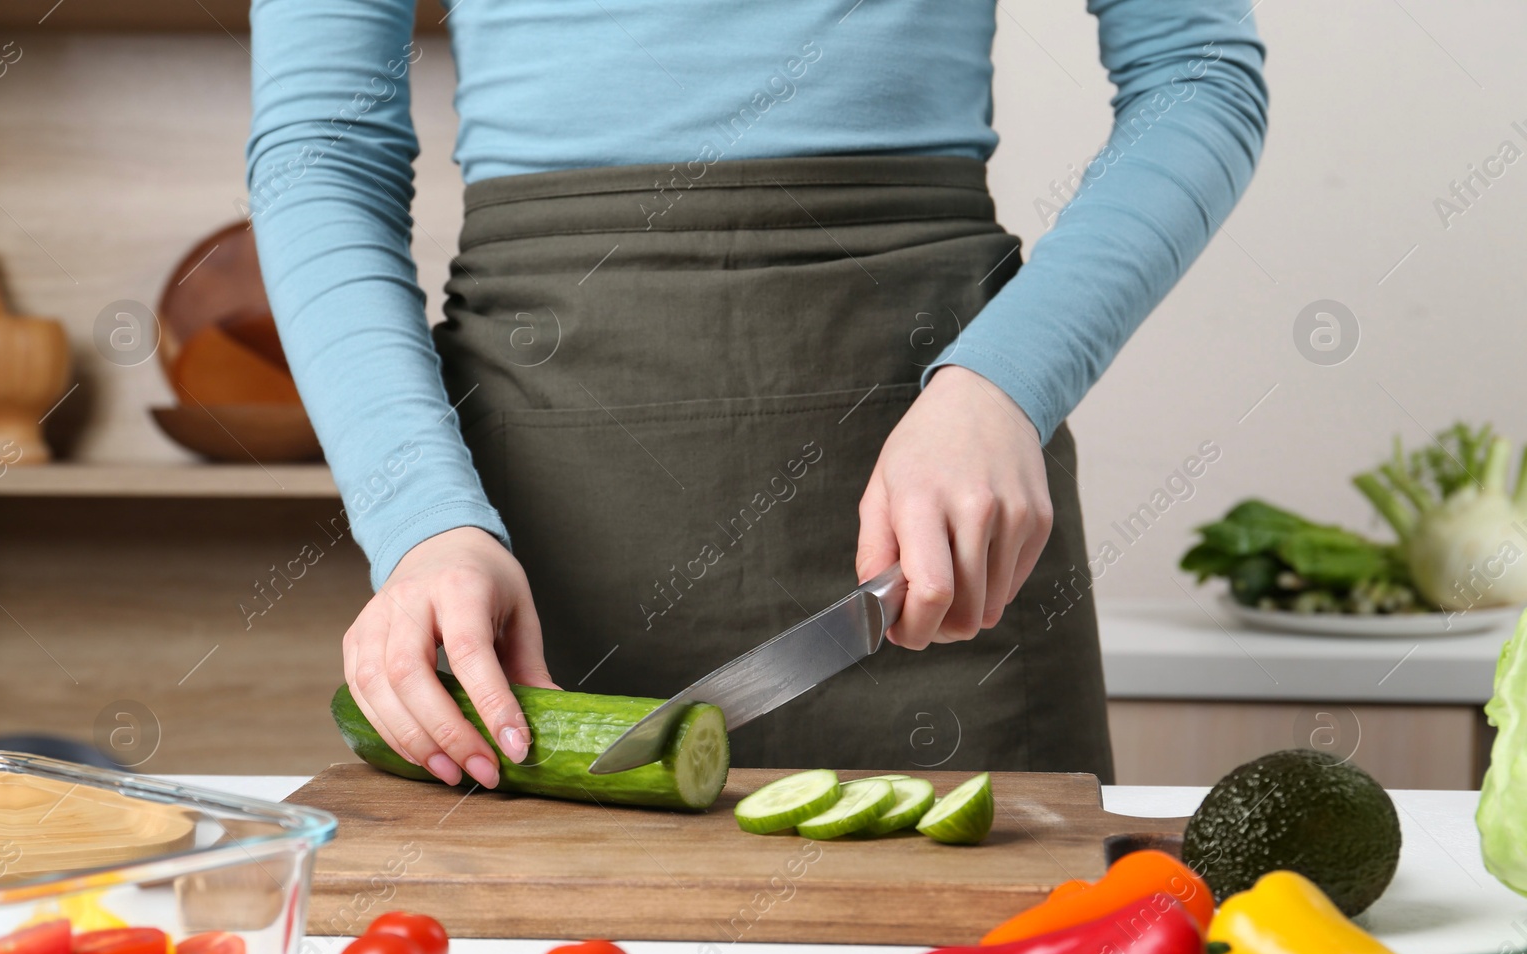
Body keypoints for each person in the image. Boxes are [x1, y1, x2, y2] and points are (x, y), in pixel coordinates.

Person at [247, 1, 1267, 789]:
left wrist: (1000, 387)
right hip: (540, 537)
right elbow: (320, 153)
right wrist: (422, 522)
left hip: (945, 534)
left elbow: (1196, 75)